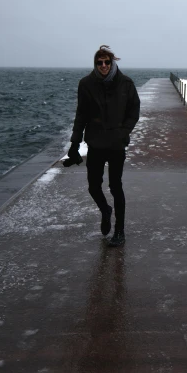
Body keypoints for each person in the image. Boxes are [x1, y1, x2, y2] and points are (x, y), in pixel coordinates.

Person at [64, 45, 140, 246]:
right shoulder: (86, 84)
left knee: (116, 187)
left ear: (112, 62)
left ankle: (120, 232)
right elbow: (81, 115)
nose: (104, 65)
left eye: (107, 62)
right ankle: (106, 210)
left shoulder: (126, 83)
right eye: (100, 62)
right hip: (96, 143)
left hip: (116, 144)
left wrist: (123, 132)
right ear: (95, 64)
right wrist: (74, 142)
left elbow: (134, 111)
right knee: (93, 186)